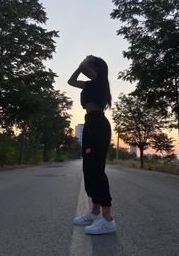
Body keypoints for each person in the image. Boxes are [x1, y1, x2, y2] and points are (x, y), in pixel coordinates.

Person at [68, 55, 116, 235]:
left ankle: (107, 219)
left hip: (98, 125)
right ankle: (95, 212)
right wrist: (83, 66)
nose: (88, 66)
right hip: (90, 124)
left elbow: (82, 67)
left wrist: (87, 61)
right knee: (88, 169)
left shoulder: (99, 80)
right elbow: (71, 81)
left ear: (98, 68)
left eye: (92, 65)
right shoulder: (89, 84)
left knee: (96, 169)